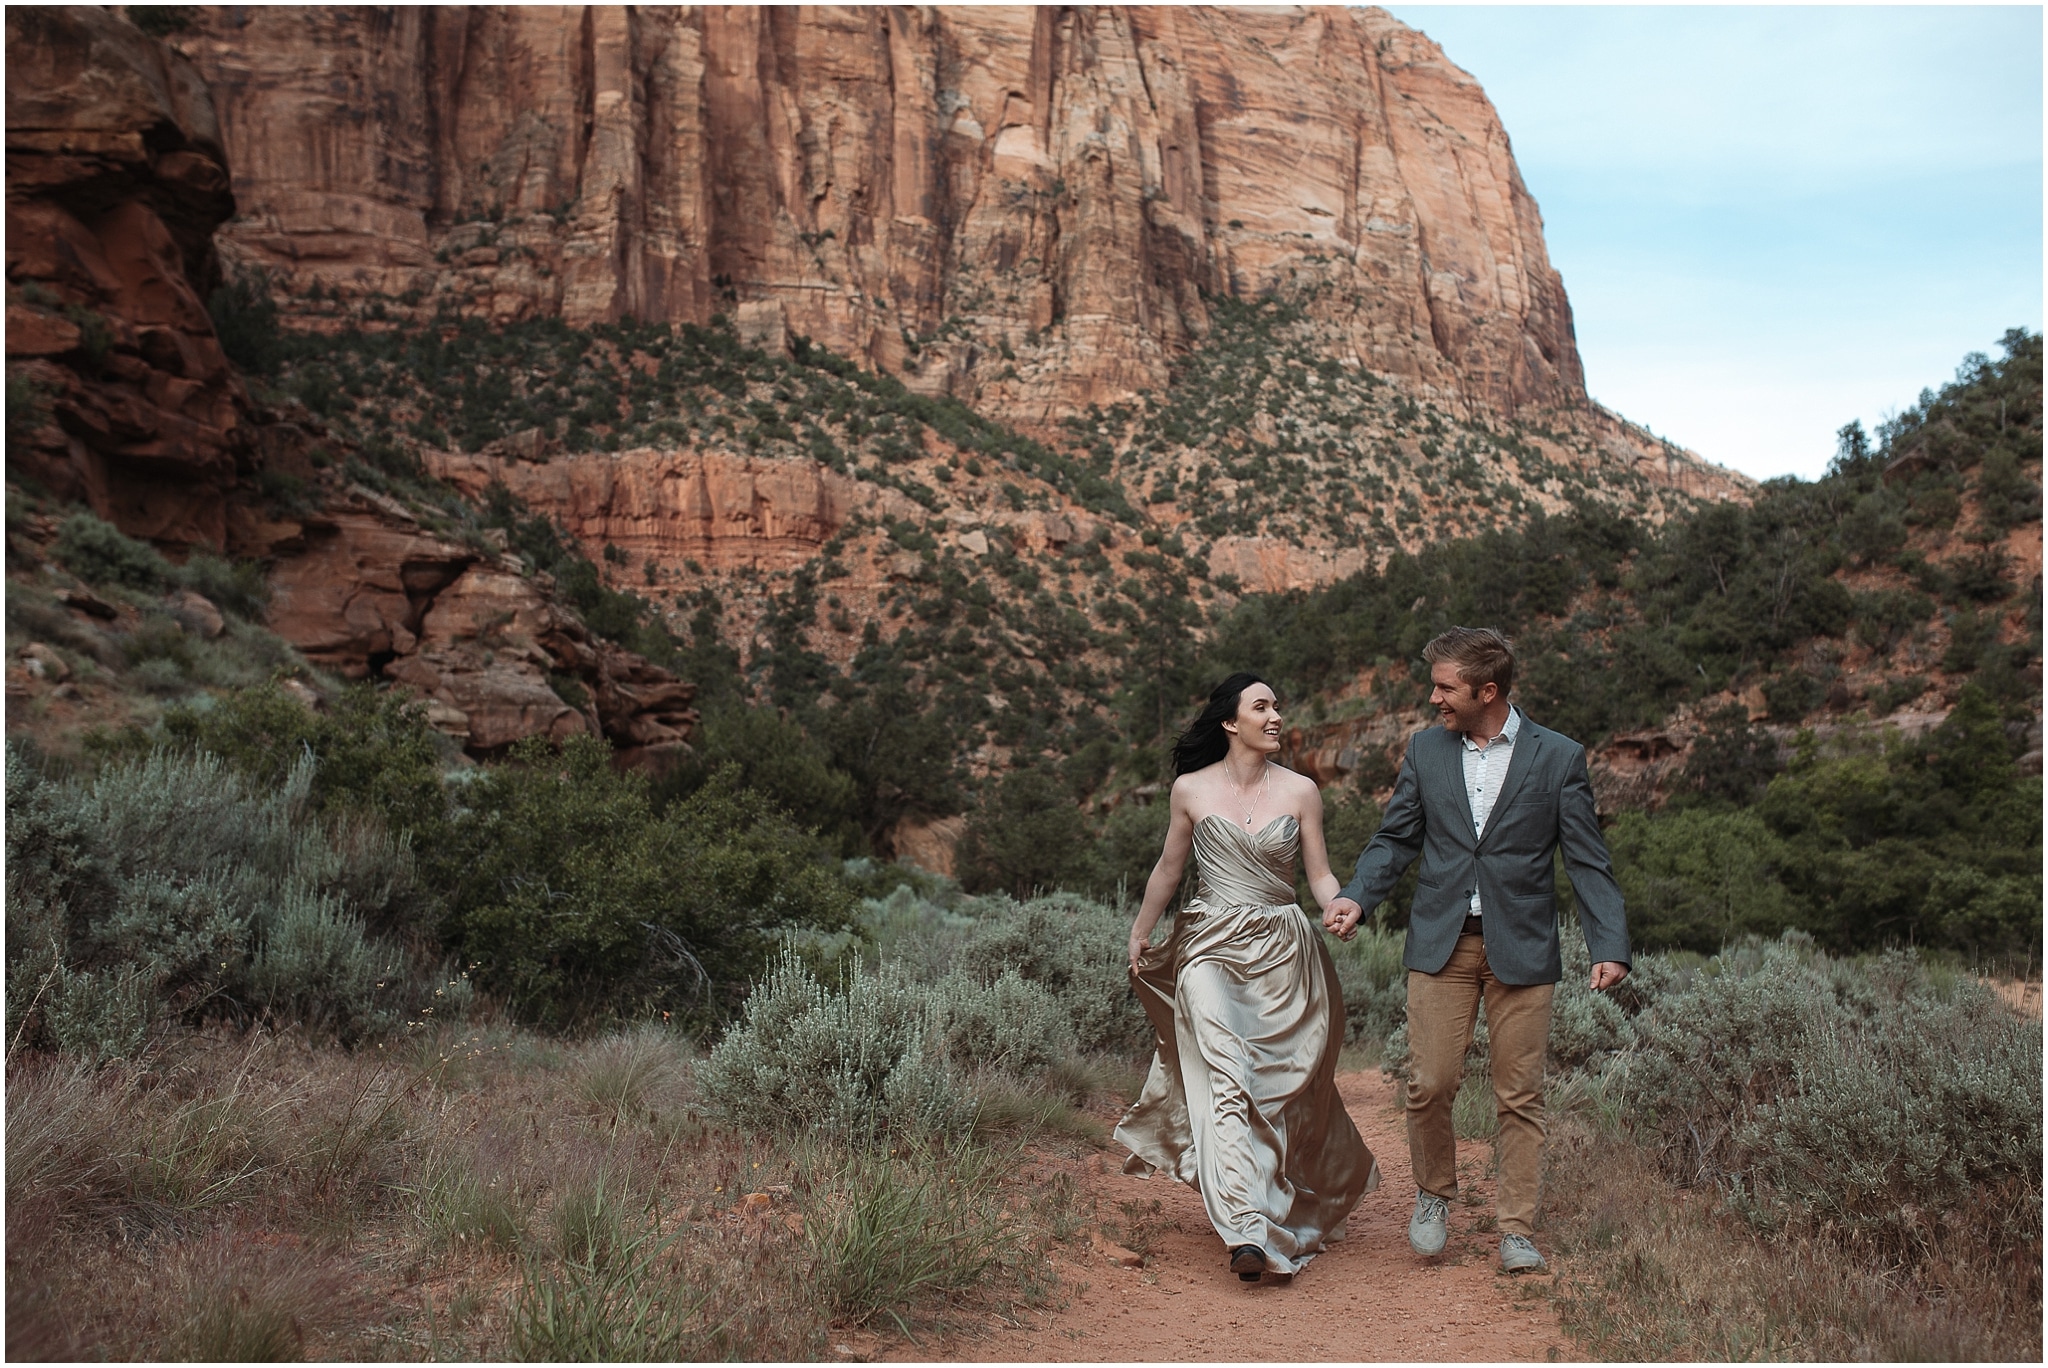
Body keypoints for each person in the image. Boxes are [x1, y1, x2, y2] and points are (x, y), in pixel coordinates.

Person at [1322, 627, 1629, 1274]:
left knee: (1519, 1095)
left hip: (1522, 946)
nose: (1433, 698)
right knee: (1429, 1083)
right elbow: (1395, 837)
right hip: (1443, 943)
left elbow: (1587, 860)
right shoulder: (1426, 751)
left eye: (1444, 687)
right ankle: (1434, 1195)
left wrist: (1610, 942)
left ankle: (1516, 1230)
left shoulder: (1559, 757)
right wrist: (1358, 895)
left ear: (1486, 691)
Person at [1115, 672, 1378, 1283]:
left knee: (1277, 1090)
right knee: (1225, 1076)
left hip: (1284, 950)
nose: (1276, 715)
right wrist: (1141, 928)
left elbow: (1319, 875)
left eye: (1278, 706)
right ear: (1232, 722)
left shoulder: (1303, 791)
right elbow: (1168, 867)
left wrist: (1339, 906)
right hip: (1208, 946)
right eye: (1262, 706)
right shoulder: (1190, 790)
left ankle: (1273, 1200)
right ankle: (1245, 1229)